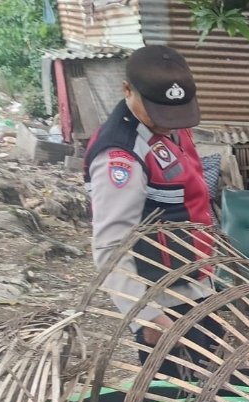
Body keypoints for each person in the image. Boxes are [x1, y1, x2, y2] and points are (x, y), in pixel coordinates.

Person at [84, 45, 219, 379]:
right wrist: (146, 316)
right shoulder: (121, 156)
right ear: (127, 90)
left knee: (213, 389)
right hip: (164, 301)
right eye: (159, 112)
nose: (169, 123)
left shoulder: (170, 120)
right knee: (179, 401)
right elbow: (110, 248)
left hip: (197, 283)